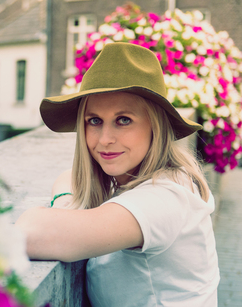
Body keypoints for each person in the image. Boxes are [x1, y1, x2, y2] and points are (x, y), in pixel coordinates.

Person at [15, 42, 220, 307]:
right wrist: (70, 205)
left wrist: (67, 213)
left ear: (155, 127)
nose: (105, 139)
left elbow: (29, 233)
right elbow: (68, 178)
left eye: (124, 120)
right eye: (94, 121)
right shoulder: (137, 183)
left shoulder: (165, 197)